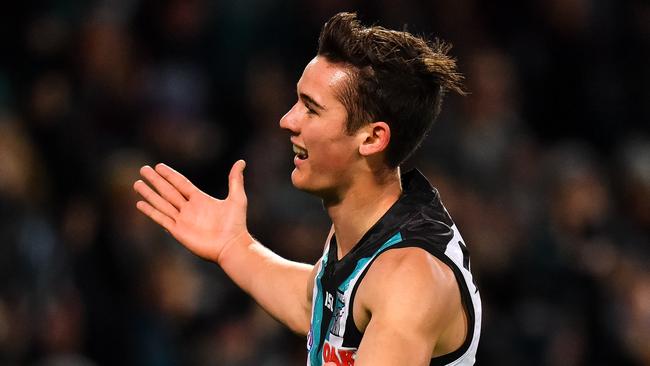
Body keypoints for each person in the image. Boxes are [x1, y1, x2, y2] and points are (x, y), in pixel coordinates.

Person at [133, 12, 481, 366]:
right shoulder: (370, 231)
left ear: (373, 138)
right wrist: (233, 246)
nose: (287, 120)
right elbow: (316, 304)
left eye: (311, 109)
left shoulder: (410, 277)